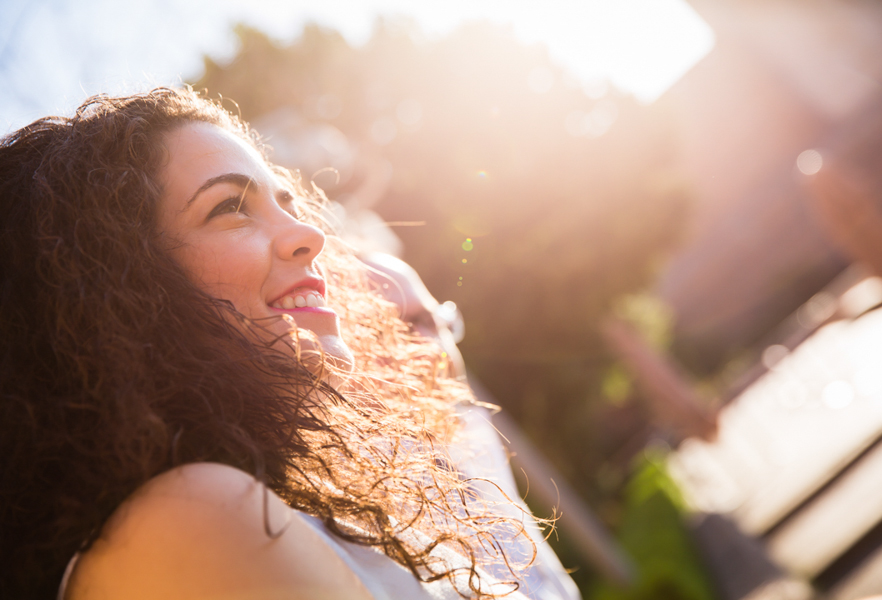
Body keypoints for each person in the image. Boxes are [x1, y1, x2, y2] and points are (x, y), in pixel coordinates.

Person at [0, 88, 579, 600]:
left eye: (287, 204)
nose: (311, 236)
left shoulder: (321, 502)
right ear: (119, 292)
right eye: (229, 207)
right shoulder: (192, 519)